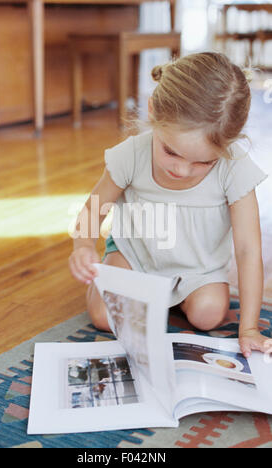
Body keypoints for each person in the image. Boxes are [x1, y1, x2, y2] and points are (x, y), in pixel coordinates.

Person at [69, 52, 272, 358]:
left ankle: (170, 297)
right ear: (153, 112)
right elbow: (93, 208)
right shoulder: (132, 155)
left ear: (227, 145)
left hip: (197, 269)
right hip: (135, 255)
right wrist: (83, 244)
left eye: (203, 162)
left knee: (209, 315)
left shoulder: (234, 168)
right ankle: (141, 290)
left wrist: (248, 329)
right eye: (171, 152)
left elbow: (247, 249)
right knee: (102, 317)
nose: (182, 170)